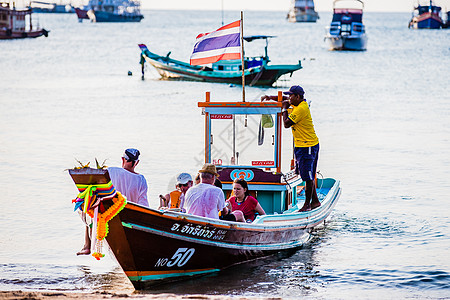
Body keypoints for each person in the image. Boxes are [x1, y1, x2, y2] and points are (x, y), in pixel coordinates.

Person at [77, 148, 149, 255]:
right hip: (128, 220)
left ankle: (87, 245)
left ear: (123, 159)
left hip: (107, 217)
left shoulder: (111, 171)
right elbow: (143, 207)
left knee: (86, 206)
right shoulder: (141, 180)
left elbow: (96, 188)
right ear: (136, 162)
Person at [261, 85, 320, 212]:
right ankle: (315, 201)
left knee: (307, 177)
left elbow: (286, 124)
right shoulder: (297, 104)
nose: (289, 98)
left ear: (297, 97)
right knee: (307, 174)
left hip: (307, 146)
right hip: (302, 145)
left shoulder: (301, 109)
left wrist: (283, 110)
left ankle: (307, 205)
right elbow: (285, 100)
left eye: (291, 95)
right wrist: (270, 97)